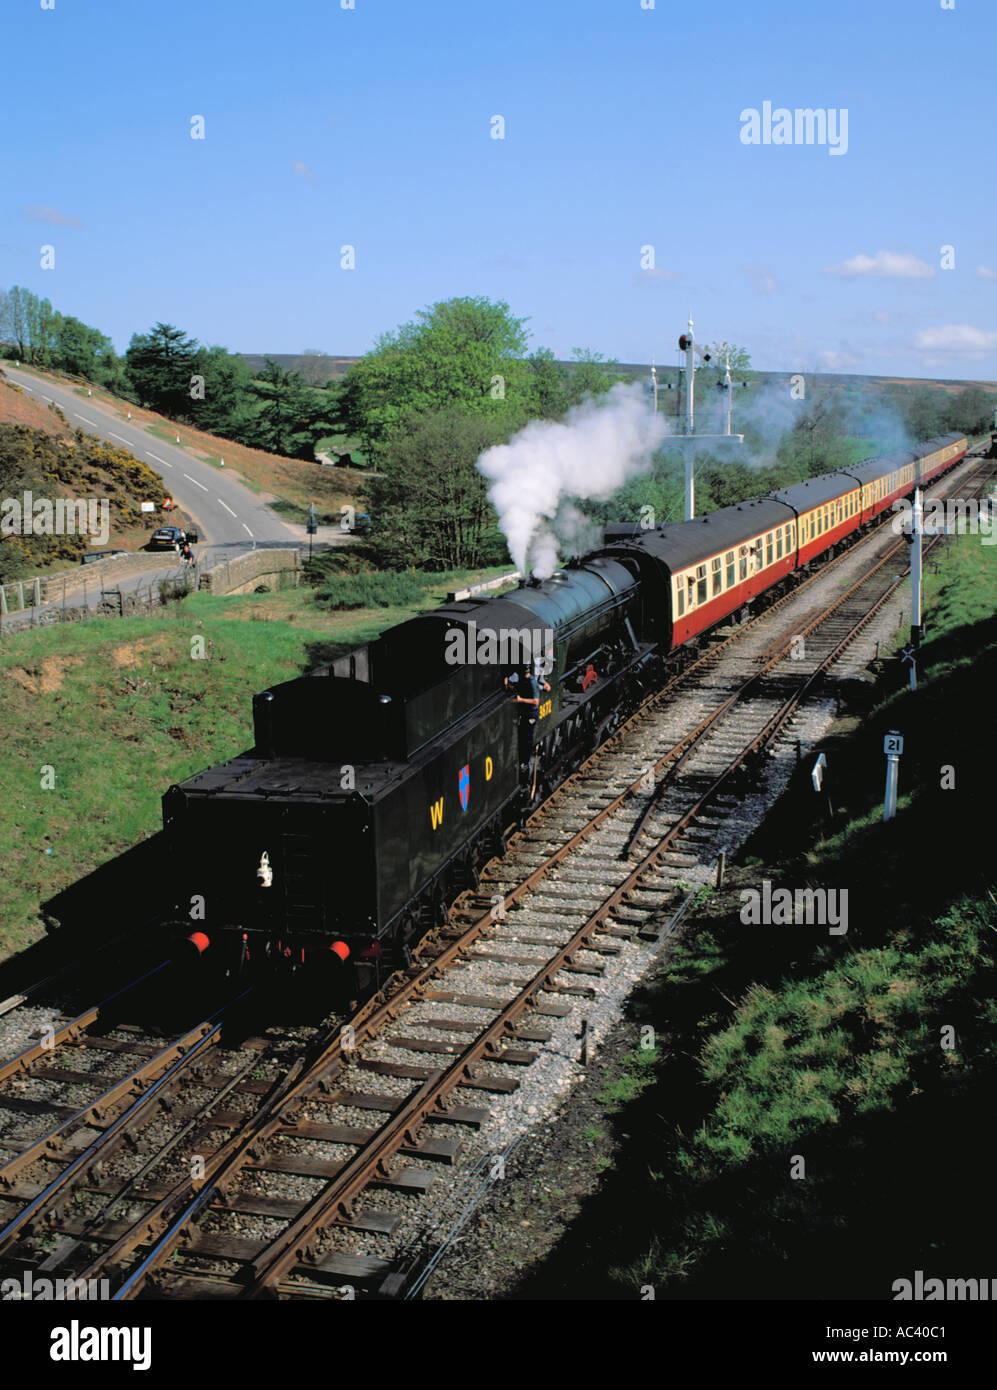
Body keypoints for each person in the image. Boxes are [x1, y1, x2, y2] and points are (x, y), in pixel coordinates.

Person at [505, 662, 551, 767]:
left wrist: (521, 700)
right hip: (525, 712)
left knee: (528, 738)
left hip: (531, 712)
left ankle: (525, 762)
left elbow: (535, 701)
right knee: (522, 735)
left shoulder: (532, 682)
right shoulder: (523, 680)